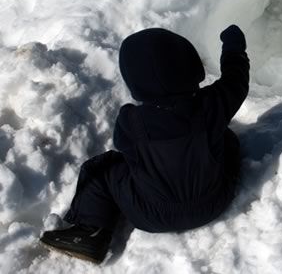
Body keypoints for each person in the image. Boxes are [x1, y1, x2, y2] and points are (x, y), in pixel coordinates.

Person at [40, 25, 249, 264]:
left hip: (150, 215)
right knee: (225, 139)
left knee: (103, 168)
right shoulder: (214, 105)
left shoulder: (131, 120)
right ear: (191, 66)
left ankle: (90, 232)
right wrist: (234, 46)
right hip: (214, 201)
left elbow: (126, 153)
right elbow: (236, 80)